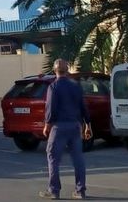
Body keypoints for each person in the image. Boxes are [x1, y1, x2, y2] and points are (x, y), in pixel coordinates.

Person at [39, 59, 91, 200]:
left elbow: (50, 108)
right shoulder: (76, 86)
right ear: (67, 70)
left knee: (53, 157)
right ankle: (80, 191)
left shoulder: (53, 87)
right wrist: (88, 124)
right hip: (75, 126)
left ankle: (54, 190)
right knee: (78, 159)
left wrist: (47, 125)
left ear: (54, 70)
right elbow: (83, 106)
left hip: (59, 126)